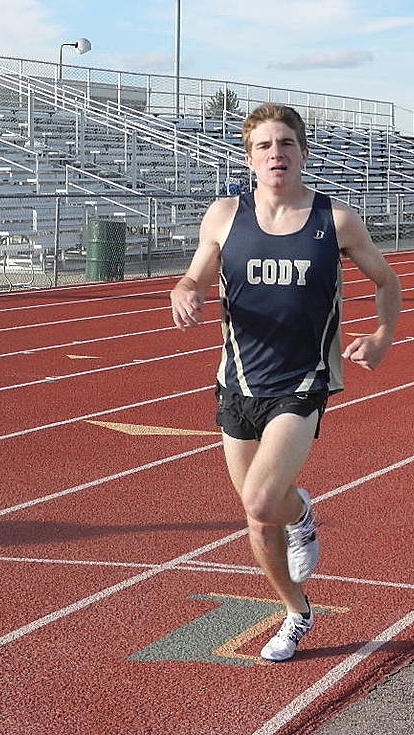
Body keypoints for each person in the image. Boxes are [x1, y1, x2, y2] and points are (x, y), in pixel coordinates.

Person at [170, 103, 401, 662]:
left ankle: (297, 511)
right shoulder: (224, 216)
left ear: (302, 152)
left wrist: (381, 336)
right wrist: (185, 289)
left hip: (303, 382)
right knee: (257, 517)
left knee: (260, 497)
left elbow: (386, 281)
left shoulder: (335, 220)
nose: (277, 154)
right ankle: (296, 609)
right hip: (237, 383)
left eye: (286, 144)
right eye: (265, 146)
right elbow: (196, 274)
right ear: (250, 159)